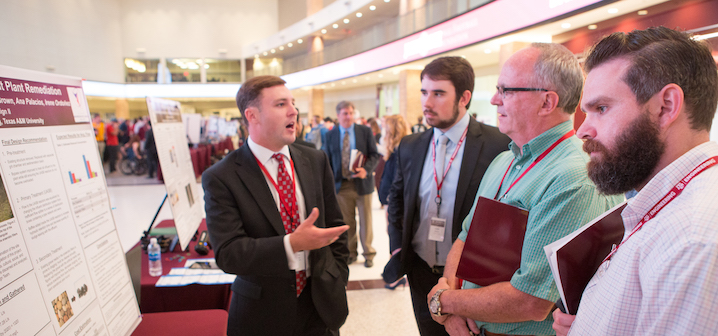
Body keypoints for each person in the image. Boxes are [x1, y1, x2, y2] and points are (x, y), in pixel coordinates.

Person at [426, 44, 623, 336]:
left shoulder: (574, 177)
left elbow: (531, 300)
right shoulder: (504, 160)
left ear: (546, 102)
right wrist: (452, 311)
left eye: (506, 90)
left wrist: (443, 301)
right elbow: (465, 238)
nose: (494, 100)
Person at [552, 27, 718, 336]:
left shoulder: (694, 242)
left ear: (666, 106)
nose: (582, 131)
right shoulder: (664, 205)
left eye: (601, 109)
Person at [202, 75, 350, 335]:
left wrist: (338, 277)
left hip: (321, 306)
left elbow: (336, 227)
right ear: (252, 116)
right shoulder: (221, 177)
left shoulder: (314, 160)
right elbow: (229, 253)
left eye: (292, 103)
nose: (294, 110)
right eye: (281, 104)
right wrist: (292, 244)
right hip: (262, 314)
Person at [387, 56, 511, 336]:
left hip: (472, 281)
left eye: (439, 93)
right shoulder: (410, 145)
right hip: (420, 271)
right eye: (424, 92)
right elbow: (396, 200)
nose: (427, 103)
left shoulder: (497, 145)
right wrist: (398, 249)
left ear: (464, 97)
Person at [324, 101, 381, 267]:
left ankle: (368, 253)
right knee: (347, 222)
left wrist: (367, 170)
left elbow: (374, 155)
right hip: (342, 186)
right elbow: (326, 160)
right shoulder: (330, 135)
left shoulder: (364, 131)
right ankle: (351, 253)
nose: (348, 116)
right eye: (344, 113)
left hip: (362, 183)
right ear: (338, 115)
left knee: (366, 221)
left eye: (350, 113)